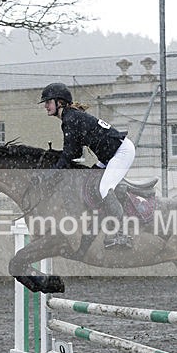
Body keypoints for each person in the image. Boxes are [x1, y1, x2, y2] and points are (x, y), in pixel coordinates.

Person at [39, 82, 135, 249]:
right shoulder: (70, 117)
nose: (46, 106)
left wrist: (50, 173)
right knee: (89, 182)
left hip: (121, 152)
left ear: (59, 102)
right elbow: (74, 152)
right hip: (109, 156)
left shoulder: (69, 119)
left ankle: (122, 233)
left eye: (48, 102)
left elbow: (69, 155)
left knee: (104, 188)